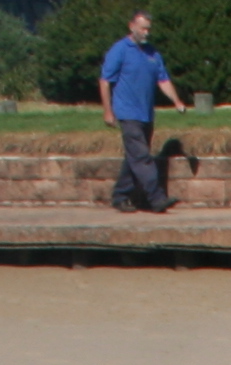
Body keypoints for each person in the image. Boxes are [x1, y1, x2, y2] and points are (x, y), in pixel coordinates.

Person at [99, 11, 182, 216]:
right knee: (142, 157)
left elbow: (163, 80)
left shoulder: (152, 54)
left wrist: (177, 101)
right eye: (143, 28)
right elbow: (104, 81)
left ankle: (120, 196)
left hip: (146, 114)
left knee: (134, 158)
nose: (146, 32)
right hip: (127, 113)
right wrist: (108, 111)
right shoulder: (120, 50)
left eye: (148, 29)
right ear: (131, 26)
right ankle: (157, 199)